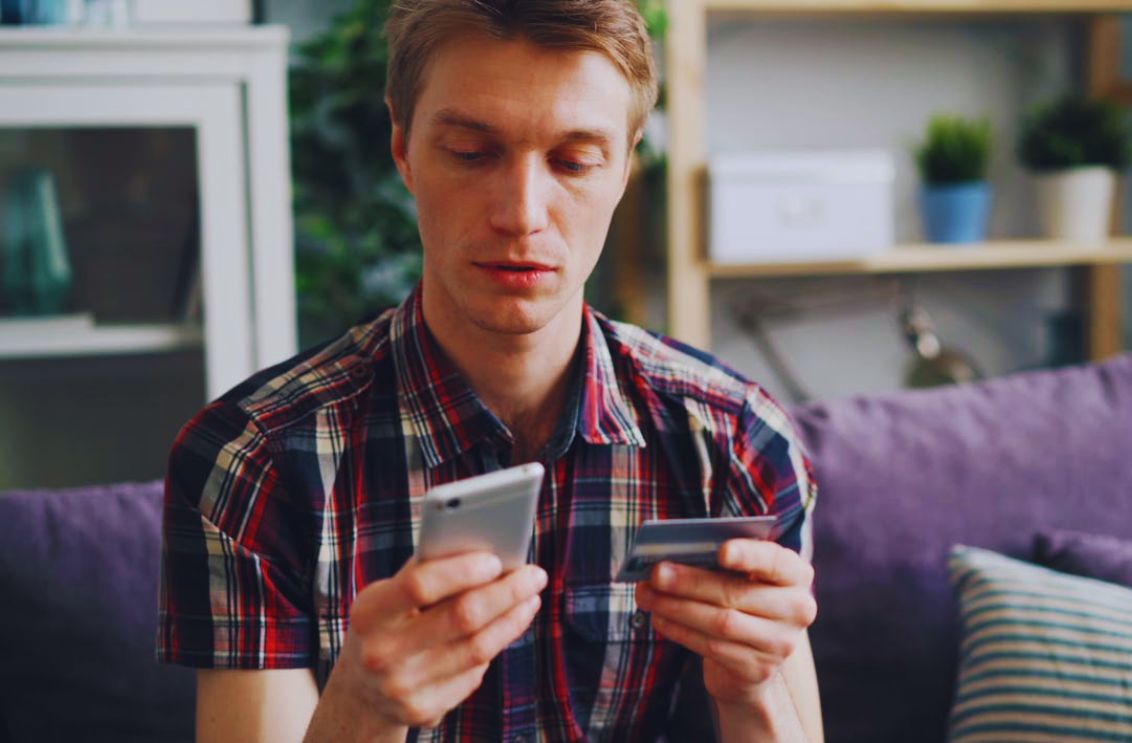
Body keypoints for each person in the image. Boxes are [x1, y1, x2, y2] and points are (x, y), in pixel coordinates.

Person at [158, 1, 822, 740]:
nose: (521, 213)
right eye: (472, 153)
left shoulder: (732, 440)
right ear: (404, 149)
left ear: (626, 164)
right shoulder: (254, 461)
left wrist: (752, 688)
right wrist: (362, 712)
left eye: (573, 160)